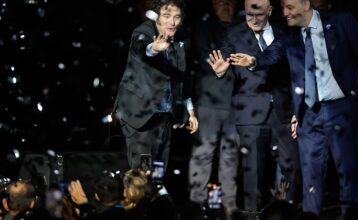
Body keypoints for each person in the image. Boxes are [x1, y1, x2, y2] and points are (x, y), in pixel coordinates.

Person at [229, 0, 358, 216]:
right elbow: (273, 53)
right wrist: (253, 60)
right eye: (283, 8)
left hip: (341, 110)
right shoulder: (290, 35)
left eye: (289, 7)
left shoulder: (341, 21)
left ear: (306, 4)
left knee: (347, 172)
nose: (285, 12)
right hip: (308, 115)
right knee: (310, 176)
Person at [207, 0, 301, 211]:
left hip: (282, 111)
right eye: (250, 13)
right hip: (249, 113)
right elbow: (223, 59)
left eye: (259, 13)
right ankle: (253, 216)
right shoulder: (234, 33)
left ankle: (287, 212)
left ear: (270, 10)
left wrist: (297, 109)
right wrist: (221, 71)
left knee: (292, 167)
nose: (254, 18)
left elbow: (296, 71)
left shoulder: (283, 32)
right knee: (253, 175)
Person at [114, 0, 198, 170]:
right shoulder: (144, 31)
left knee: (159, 168)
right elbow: (141, 49)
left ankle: (155, 193)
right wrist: (154, 48)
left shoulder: (182, 39)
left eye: (177, 17)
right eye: (167, 16)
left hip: (164, 114)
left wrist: (190, 111)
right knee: (143, 171)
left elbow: (182, 77)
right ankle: (138, 195)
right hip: (139, 113)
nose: (172, 22)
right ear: (157, 17)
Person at [188, 0, 239, 212]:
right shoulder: (204, 29)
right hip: (209, 102)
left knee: (231, 156)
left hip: (236, 103)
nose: (225, 4)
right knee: (203, 154)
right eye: (220, 0)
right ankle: (196, 205)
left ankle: (229, 206)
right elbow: (207, 59)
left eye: (230, 1)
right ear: (213, 4)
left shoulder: (244, 26)